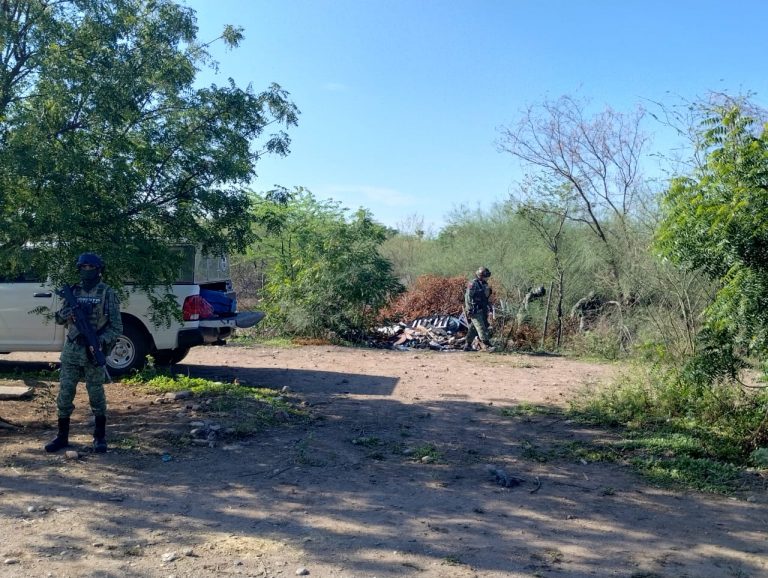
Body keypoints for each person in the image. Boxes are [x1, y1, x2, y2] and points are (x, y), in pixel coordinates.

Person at [45, 253, 122, 453]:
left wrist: (98, 343)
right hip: (72, 349)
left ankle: (99, 437)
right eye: (83, 266)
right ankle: (62, 437)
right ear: (79, 269)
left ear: (98, 269)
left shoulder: (107, 293)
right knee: (65, 394)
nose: (87, 270)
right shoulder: (72, 291)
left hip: (93, 349)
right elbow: (59, 320)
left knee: (96, 395)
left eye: (91, 267)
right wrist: (67, 313)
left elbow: (116, 327)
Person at [463, 266, 494, 352]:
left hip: (482, 309)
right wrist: (469, 309)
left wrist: (489, 308)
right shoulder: (473, 284)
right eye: (486, 276)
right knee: (481, 327)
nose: (487, 278)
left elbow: (486, 298)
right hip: (474, 310)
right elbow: (468, 297)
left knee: (473, 328)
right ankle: (486, 344)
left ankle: (467, 345)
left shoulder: (484, 284)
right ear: (481, 275)